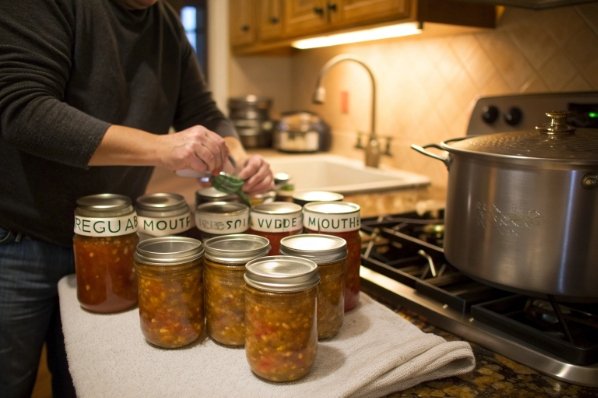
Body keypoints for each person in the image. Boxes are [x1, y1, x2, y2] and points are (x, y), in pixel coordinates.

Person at [0, 0, 273, 396]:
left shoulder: (165, 24)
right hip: (18, 240)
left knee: (83, 383)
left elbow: (204, 113)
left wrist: (239, 161)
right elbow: (24, 112)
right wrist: (162, 147)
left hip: (112, 241)